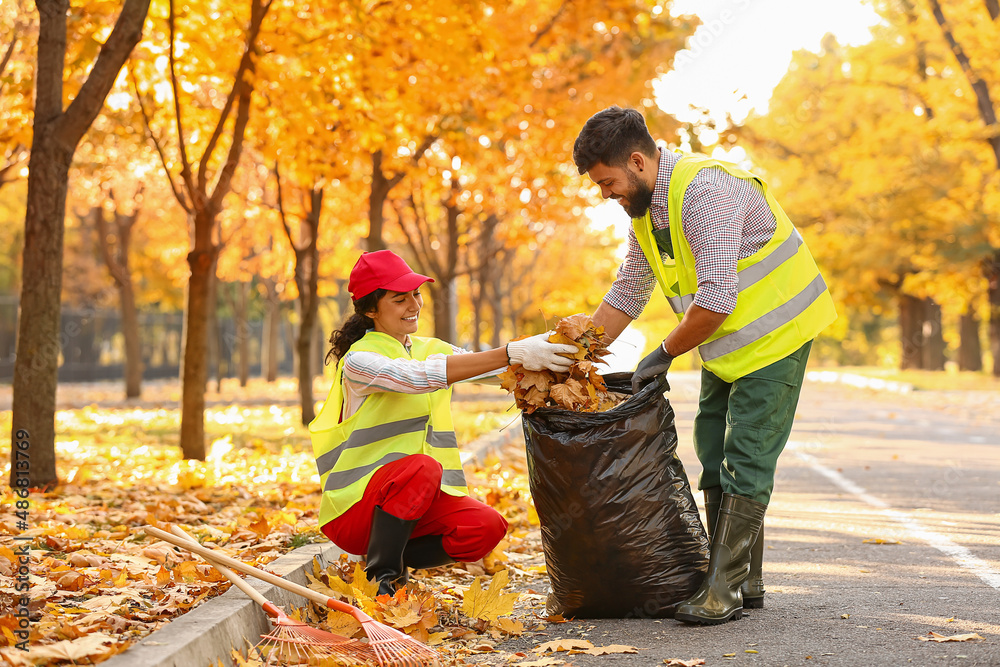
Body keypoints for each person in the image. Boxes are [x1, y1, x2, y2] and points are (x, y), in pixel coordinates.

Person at [573, 106, 837, 624]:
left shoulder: (703, 193)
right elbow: (631, 286)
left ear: (636, 161)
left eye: (607, 183)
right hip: (726, 345)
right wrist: (576, 355)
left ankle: (723, 588)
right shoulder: (649, 209)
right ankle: (745, 579)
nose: (606, 194)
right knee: (712, 448)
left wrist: (663, 353)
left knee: (748, 454)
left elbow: (715, 299)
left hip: (777, 332)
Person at [310, 249, 577, 596]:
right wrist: (511, 351)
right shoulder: (360, 360)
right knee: (422, 467)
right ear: (371, 309)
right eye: (399, 299)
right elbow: (417, 377)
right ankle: (383, 582)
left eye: (416, 294)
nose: (414, 305)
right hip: (355, 510)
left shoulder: (429, 347)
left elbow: (496, 371)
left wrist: (553, 356)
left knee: (485, 527)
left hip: (412, 503)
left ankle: (391, 553)